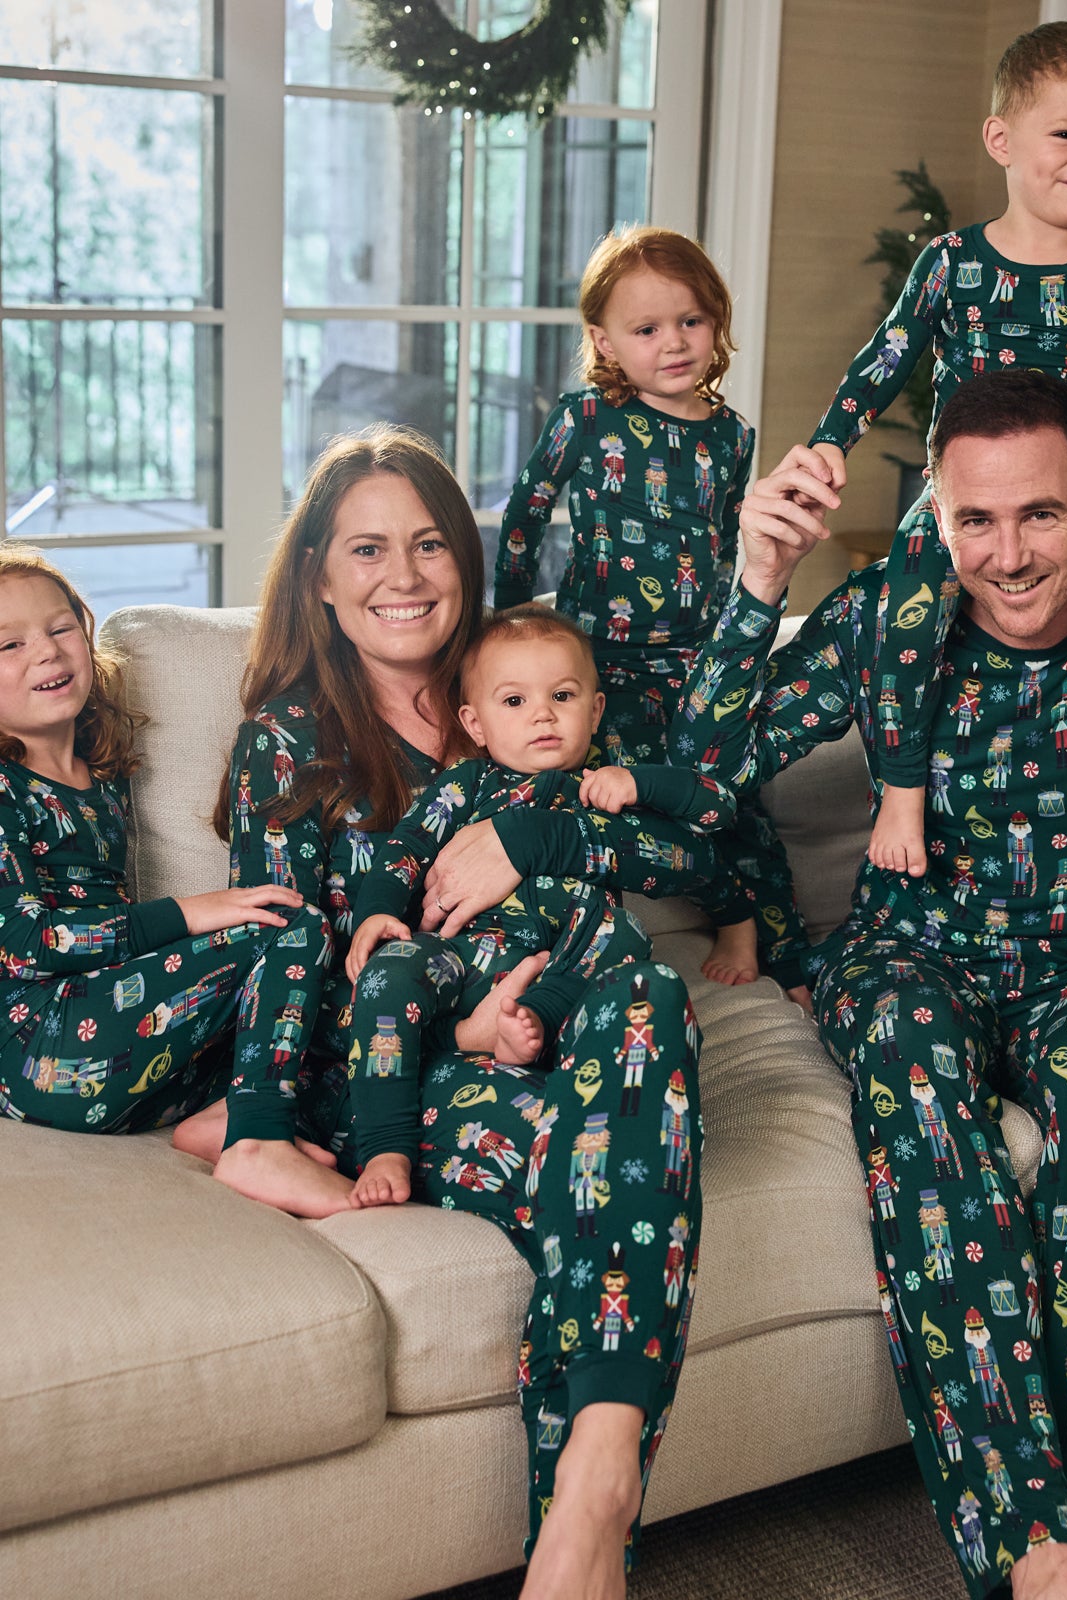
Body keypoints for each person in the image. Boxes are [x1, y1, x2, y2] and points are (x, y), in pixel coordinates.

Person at [680, 370, 1067, 1600]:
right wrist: (753, 588)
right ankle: (1037, 1545)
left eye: (1040, 516)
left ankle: (1066, 1572)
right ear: (935, 518)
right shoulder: (890, 614)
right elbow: (699, 771)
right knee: (907, 1057)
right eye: (973, 520)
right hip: (913, 955)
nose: (1004, 556)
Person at [173, 424, 707, 1600]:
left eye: (427, 544)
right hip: (413, 1067)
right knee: (602, 1154)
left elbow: (698, 844)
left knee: (652, 997)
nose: (403, 575)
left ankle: (587, 1497)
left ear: (465, 558)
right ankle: (593, 1513)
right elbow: (283, 974)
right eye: (366, 548)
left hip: (582, 1022)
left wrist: (544, 832)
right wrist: (460, 1032)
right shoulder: (289, 743)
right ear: (318, 573)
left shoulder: (528, 692)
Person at [803, 21, 1067, 882]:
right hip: (963, 499)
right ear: (1002, 139)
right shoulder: (949, 264)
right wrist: (830, 441)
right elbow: (885, 358)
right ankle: (899, 786)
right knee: (904, 612)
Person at [494, 224, 813, 1000]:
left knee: (725, 793)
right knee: (591, 791)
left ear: (717, 323)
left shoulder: (733, 437)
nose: (673, 342)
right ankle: (581, 945)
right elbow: (525, 514)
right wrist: (507, 628)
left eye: (691, 321)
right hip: (597, 653)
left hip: (699, 658)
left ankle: (770, 940)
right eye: (647, 329)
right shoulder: (586, 418)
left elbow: (741, 545)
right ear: (605, 341)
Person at [344, 603, 735, 1208]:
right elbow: (406, 847)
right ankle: (384, 1143)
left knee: (624, 934)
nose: (543, 715)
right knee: (387, 974)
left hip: (564, 970)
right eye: (514, 702)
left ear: (596, 708)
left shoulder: (604, 790)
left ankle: (533, 1025)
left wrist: (642, 783)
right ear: (474, 723)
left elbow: (716, 810)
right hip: (461, 958)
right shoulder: (466, 786)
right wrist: (377, 911)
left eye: (562, 694)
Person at [0, 546, 330, 1135]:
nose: (47, 650)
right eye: (10, 645)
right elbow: (26, 943)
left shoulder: (101, 775)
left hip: (121, 1053)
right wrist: (192, 912)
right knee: (291, 927)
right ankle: (257, 1136)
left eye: (60, 627)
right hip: (40, 1047)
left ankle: (227, 1118)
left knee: (293, 1025)